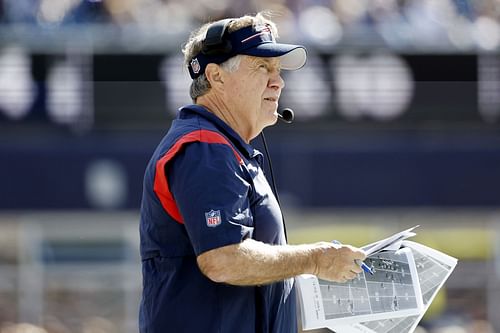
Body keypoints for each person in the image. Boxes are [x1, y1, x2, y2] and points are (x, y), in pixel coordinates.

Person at [139, 12, 366, 333]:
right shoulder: (206, 147)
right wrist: (316, 260)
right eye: (262, 67)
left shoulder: (223, 149)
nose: (279, 81)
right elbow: (223, 259)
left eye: (277, 69)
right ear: (216, 76)